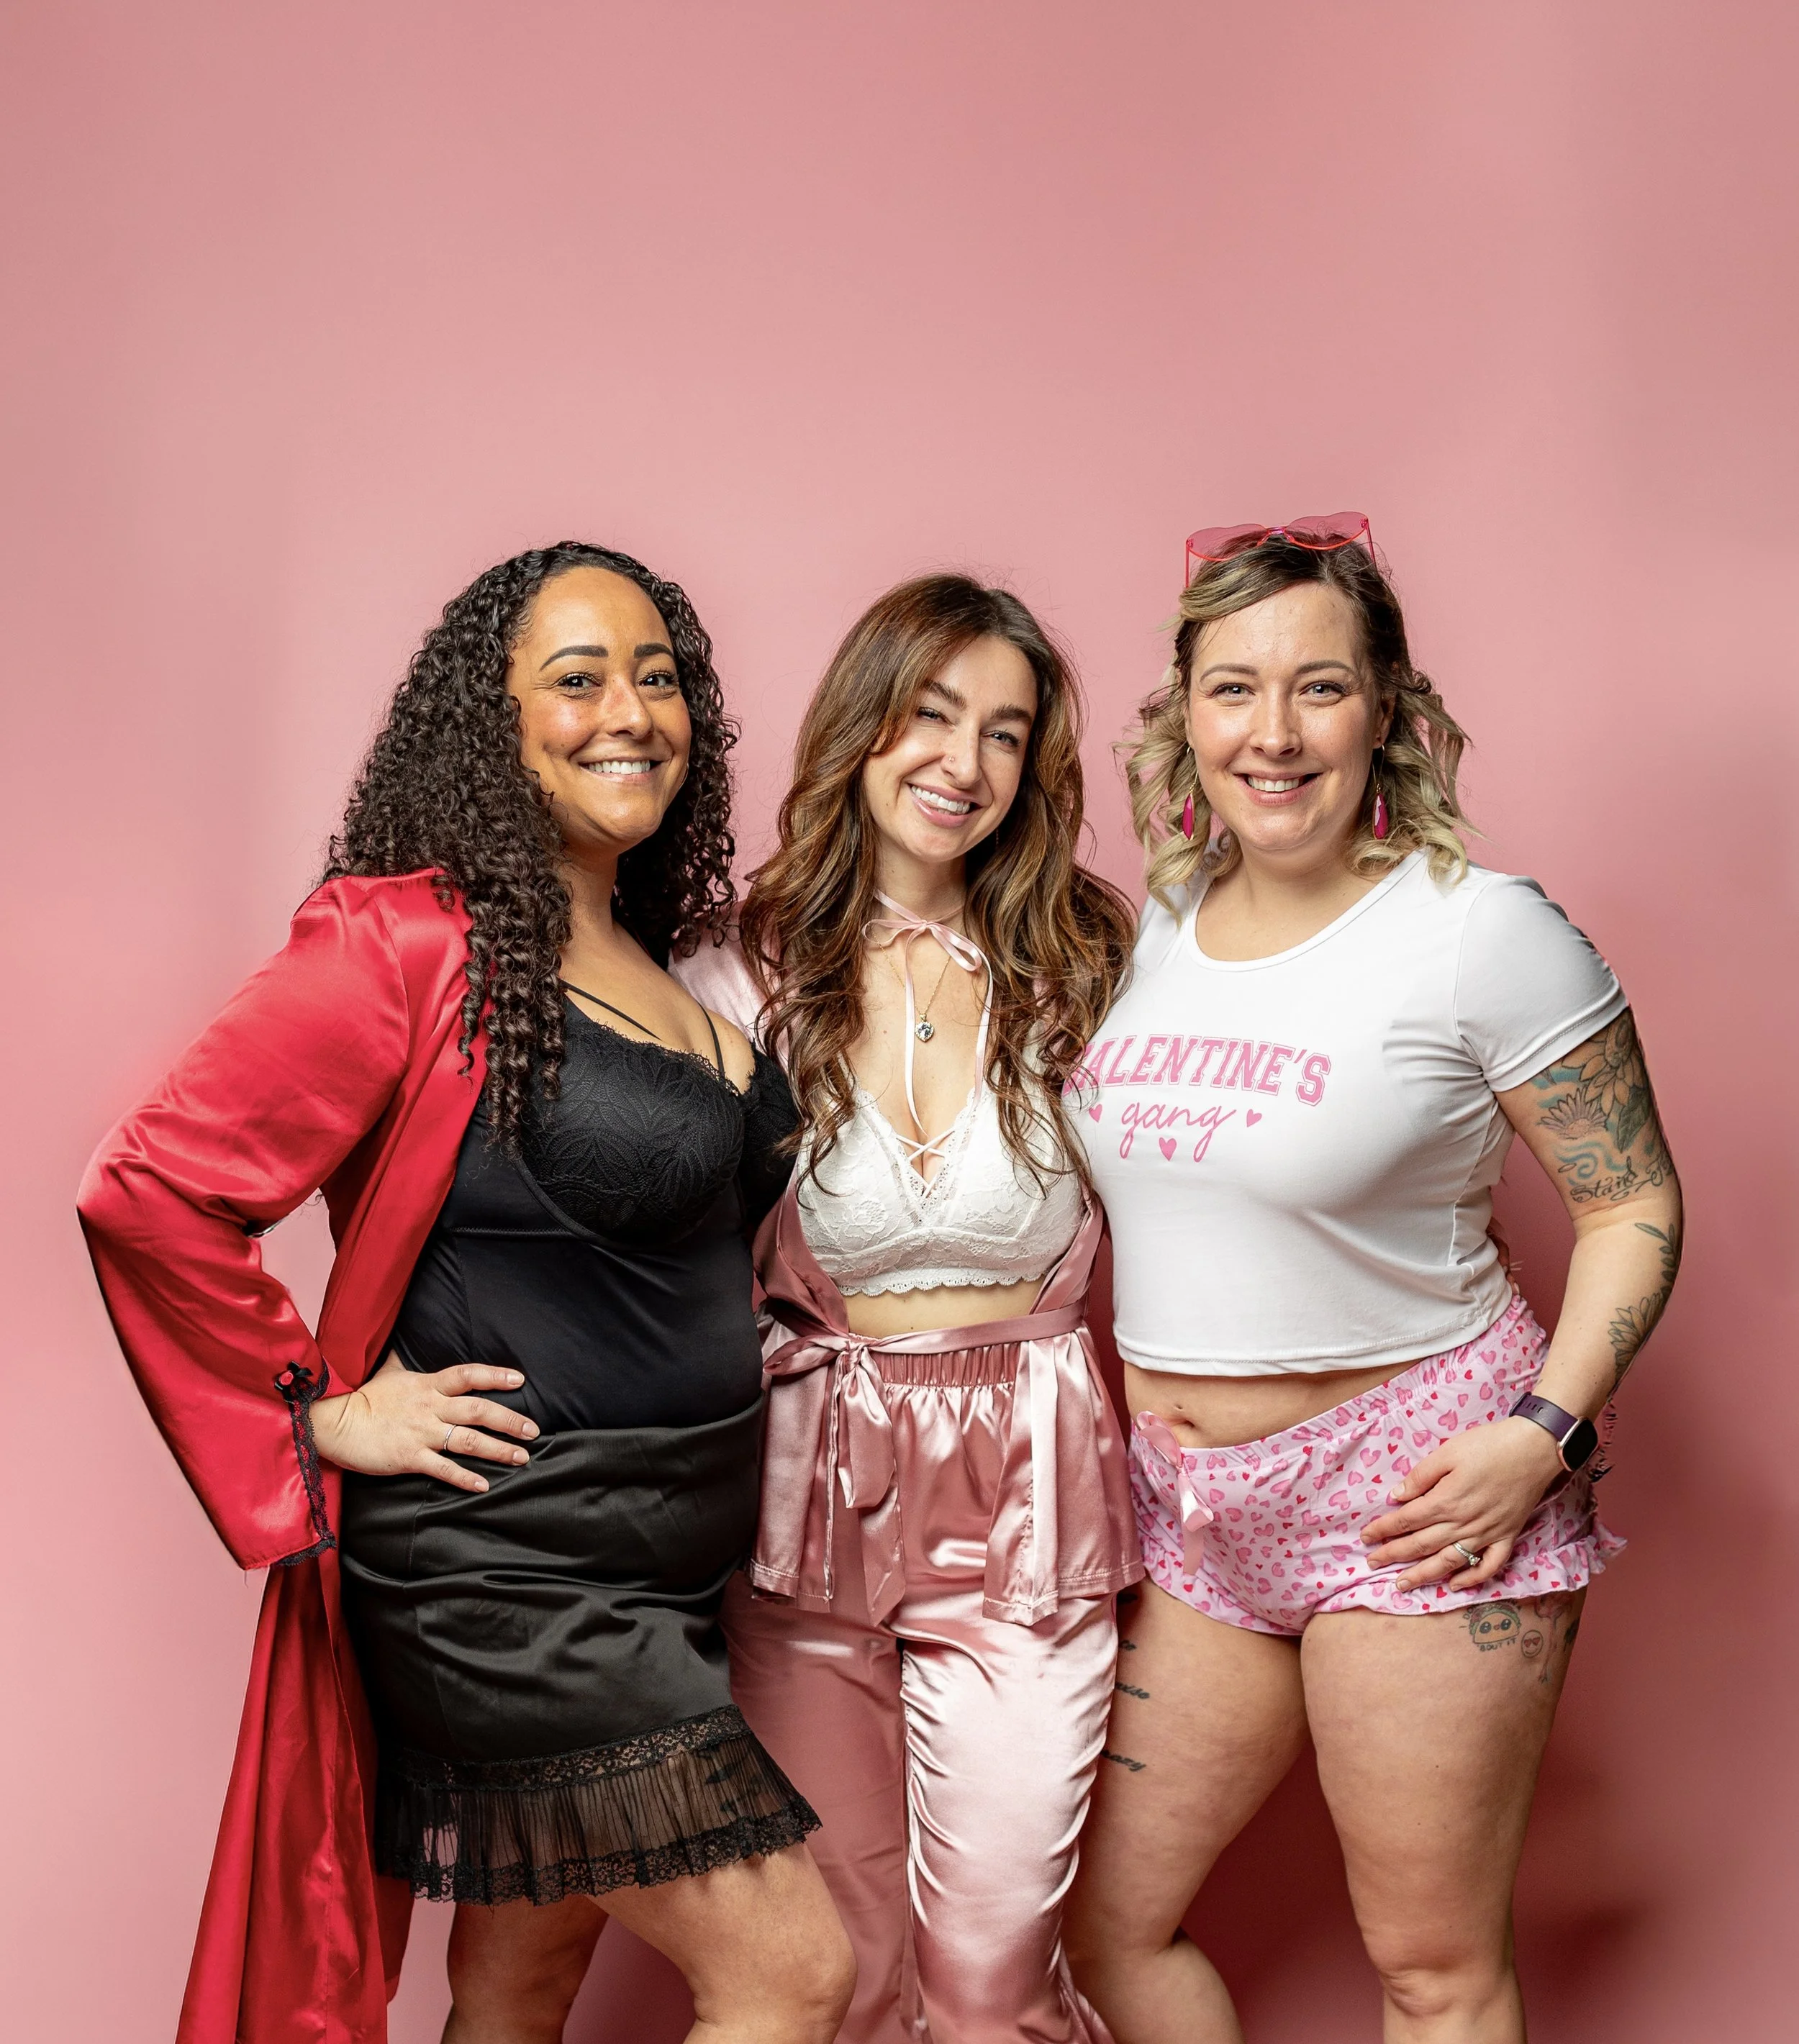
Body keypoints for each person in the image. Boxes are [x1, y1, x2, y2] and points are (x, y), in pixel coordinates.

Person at [78, 542, 853, 2044]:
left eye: (657, 677)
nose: (630, 712)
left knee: (518, 1982)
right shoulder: (406, 941)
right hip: (508, 1578)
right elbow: (152, 1187)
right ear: (489, 723)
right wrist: (316, 1411)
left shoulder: (654, 958)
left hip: (666, 1573)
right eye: (577, 679)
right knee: (791, 1972)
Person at [1063, 515, 1682, 2044]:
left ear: (1386, 710)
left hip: (1415, 1498)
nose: (1271, 734)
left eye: (1319, 687)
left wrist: (1543, 1433)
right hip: (1192, 1513)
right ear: (1184, 715)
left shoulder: (1481, 933)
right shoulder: (1150, 931)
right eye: (1233, 689)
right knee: (1098, 1928)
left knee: (1429, 1966)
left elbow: (1631, 1202)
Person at [675, 574, 1141, 2043]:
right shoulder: (733, 970)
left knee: (991, 1973)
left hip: (1033, 1488)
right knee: (843, 1962)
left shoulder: (1090, 962)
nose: (963, 762)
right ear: (859, 723)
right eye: (931, 714)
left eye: (1005, 732)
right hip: (803, 1490)